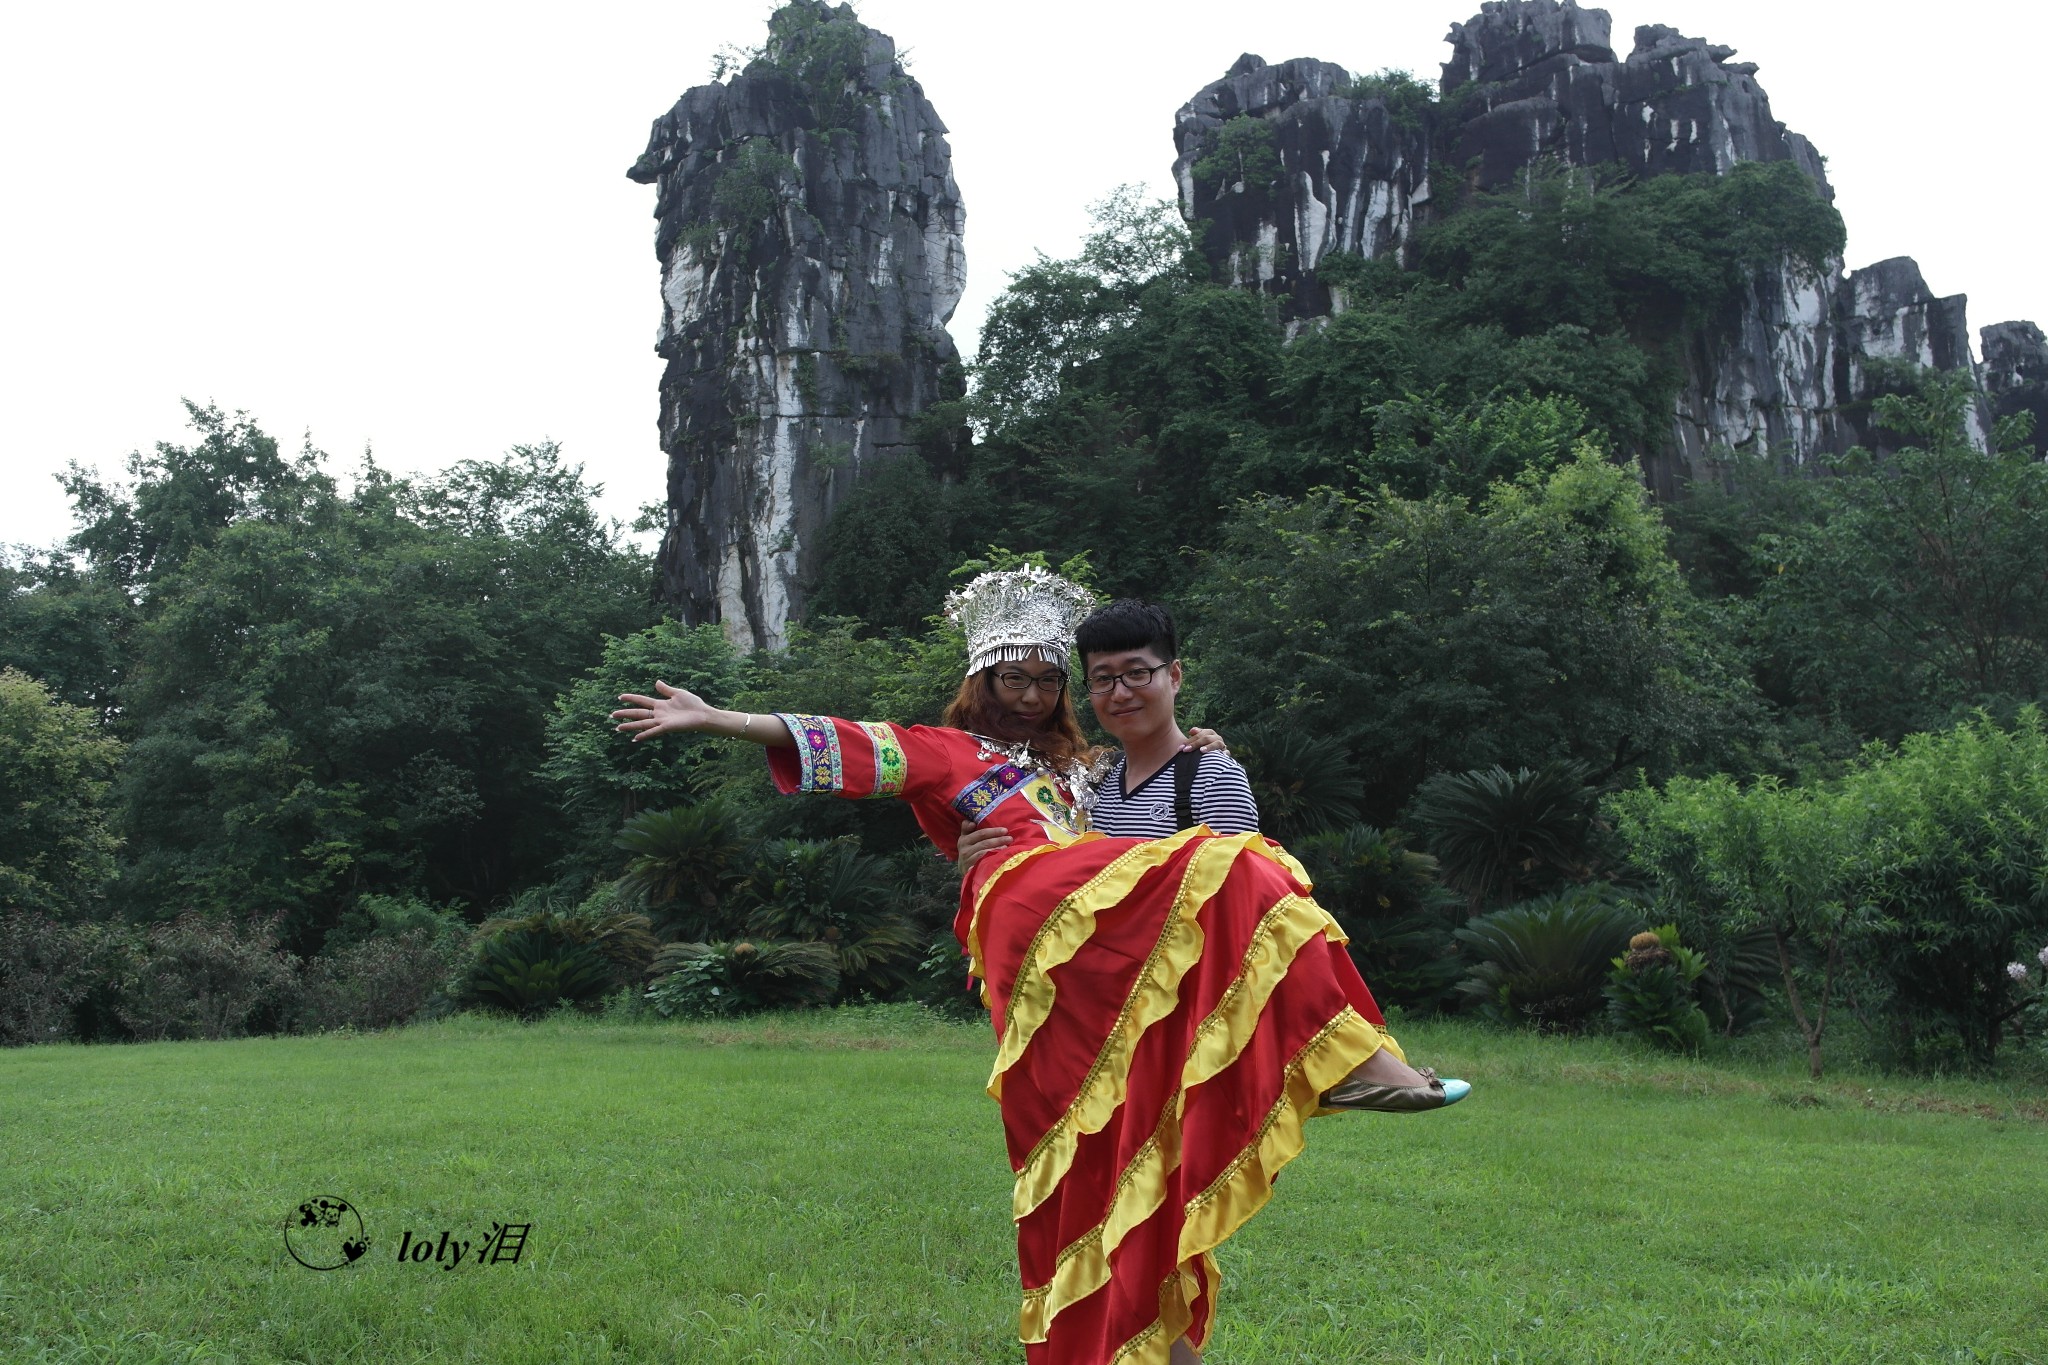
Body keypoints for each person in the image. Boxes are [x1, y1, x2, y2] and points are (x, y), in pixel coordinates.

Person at [612, 566, 1468, 1365]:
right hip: (1028, 915)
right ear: (979, 683)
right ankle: (1344, 1056)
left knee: (1133, 1140)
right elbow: (850, 740)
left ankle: (1152, 1334)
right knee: (1238, 866)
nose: (1027, 696)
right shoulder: (948, 751)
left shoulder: (1085, 771)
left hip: (1105, 948)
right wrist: (720, 717)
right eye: (1009, 679)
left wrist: (1202, 746)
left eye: (1045, 680)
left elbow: (1152, 789)